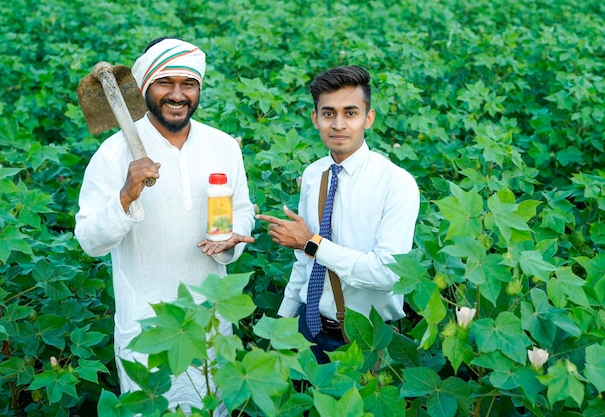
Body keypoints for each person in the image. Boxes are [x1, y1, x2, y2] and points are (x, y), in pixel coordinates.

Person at [74, 37, 255, 415]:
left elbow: (241, 211)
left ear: (199, 89)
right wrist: (125, 196)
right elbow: (90, 240)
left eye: (188, 84)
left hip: (210, 323)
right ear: (144, 88)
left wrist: (233, 239)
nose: (177, 94)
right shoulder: (113, 153)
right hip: (146, 327)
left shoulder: (224, 147)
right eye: (165, 83)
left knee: (211, 407)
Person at [256, 65, 419, 363]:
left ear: (368, 118)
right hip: (307, 327)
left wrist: (313, 243)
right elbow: (304, 262)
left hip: (366, 339)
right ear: (315, 119)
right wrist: (284, 319)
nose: (338, 124)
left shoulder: (396, 184)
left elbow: (387, 273)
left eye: (351, 113)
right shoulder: (314, 172)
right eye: (329, 113)